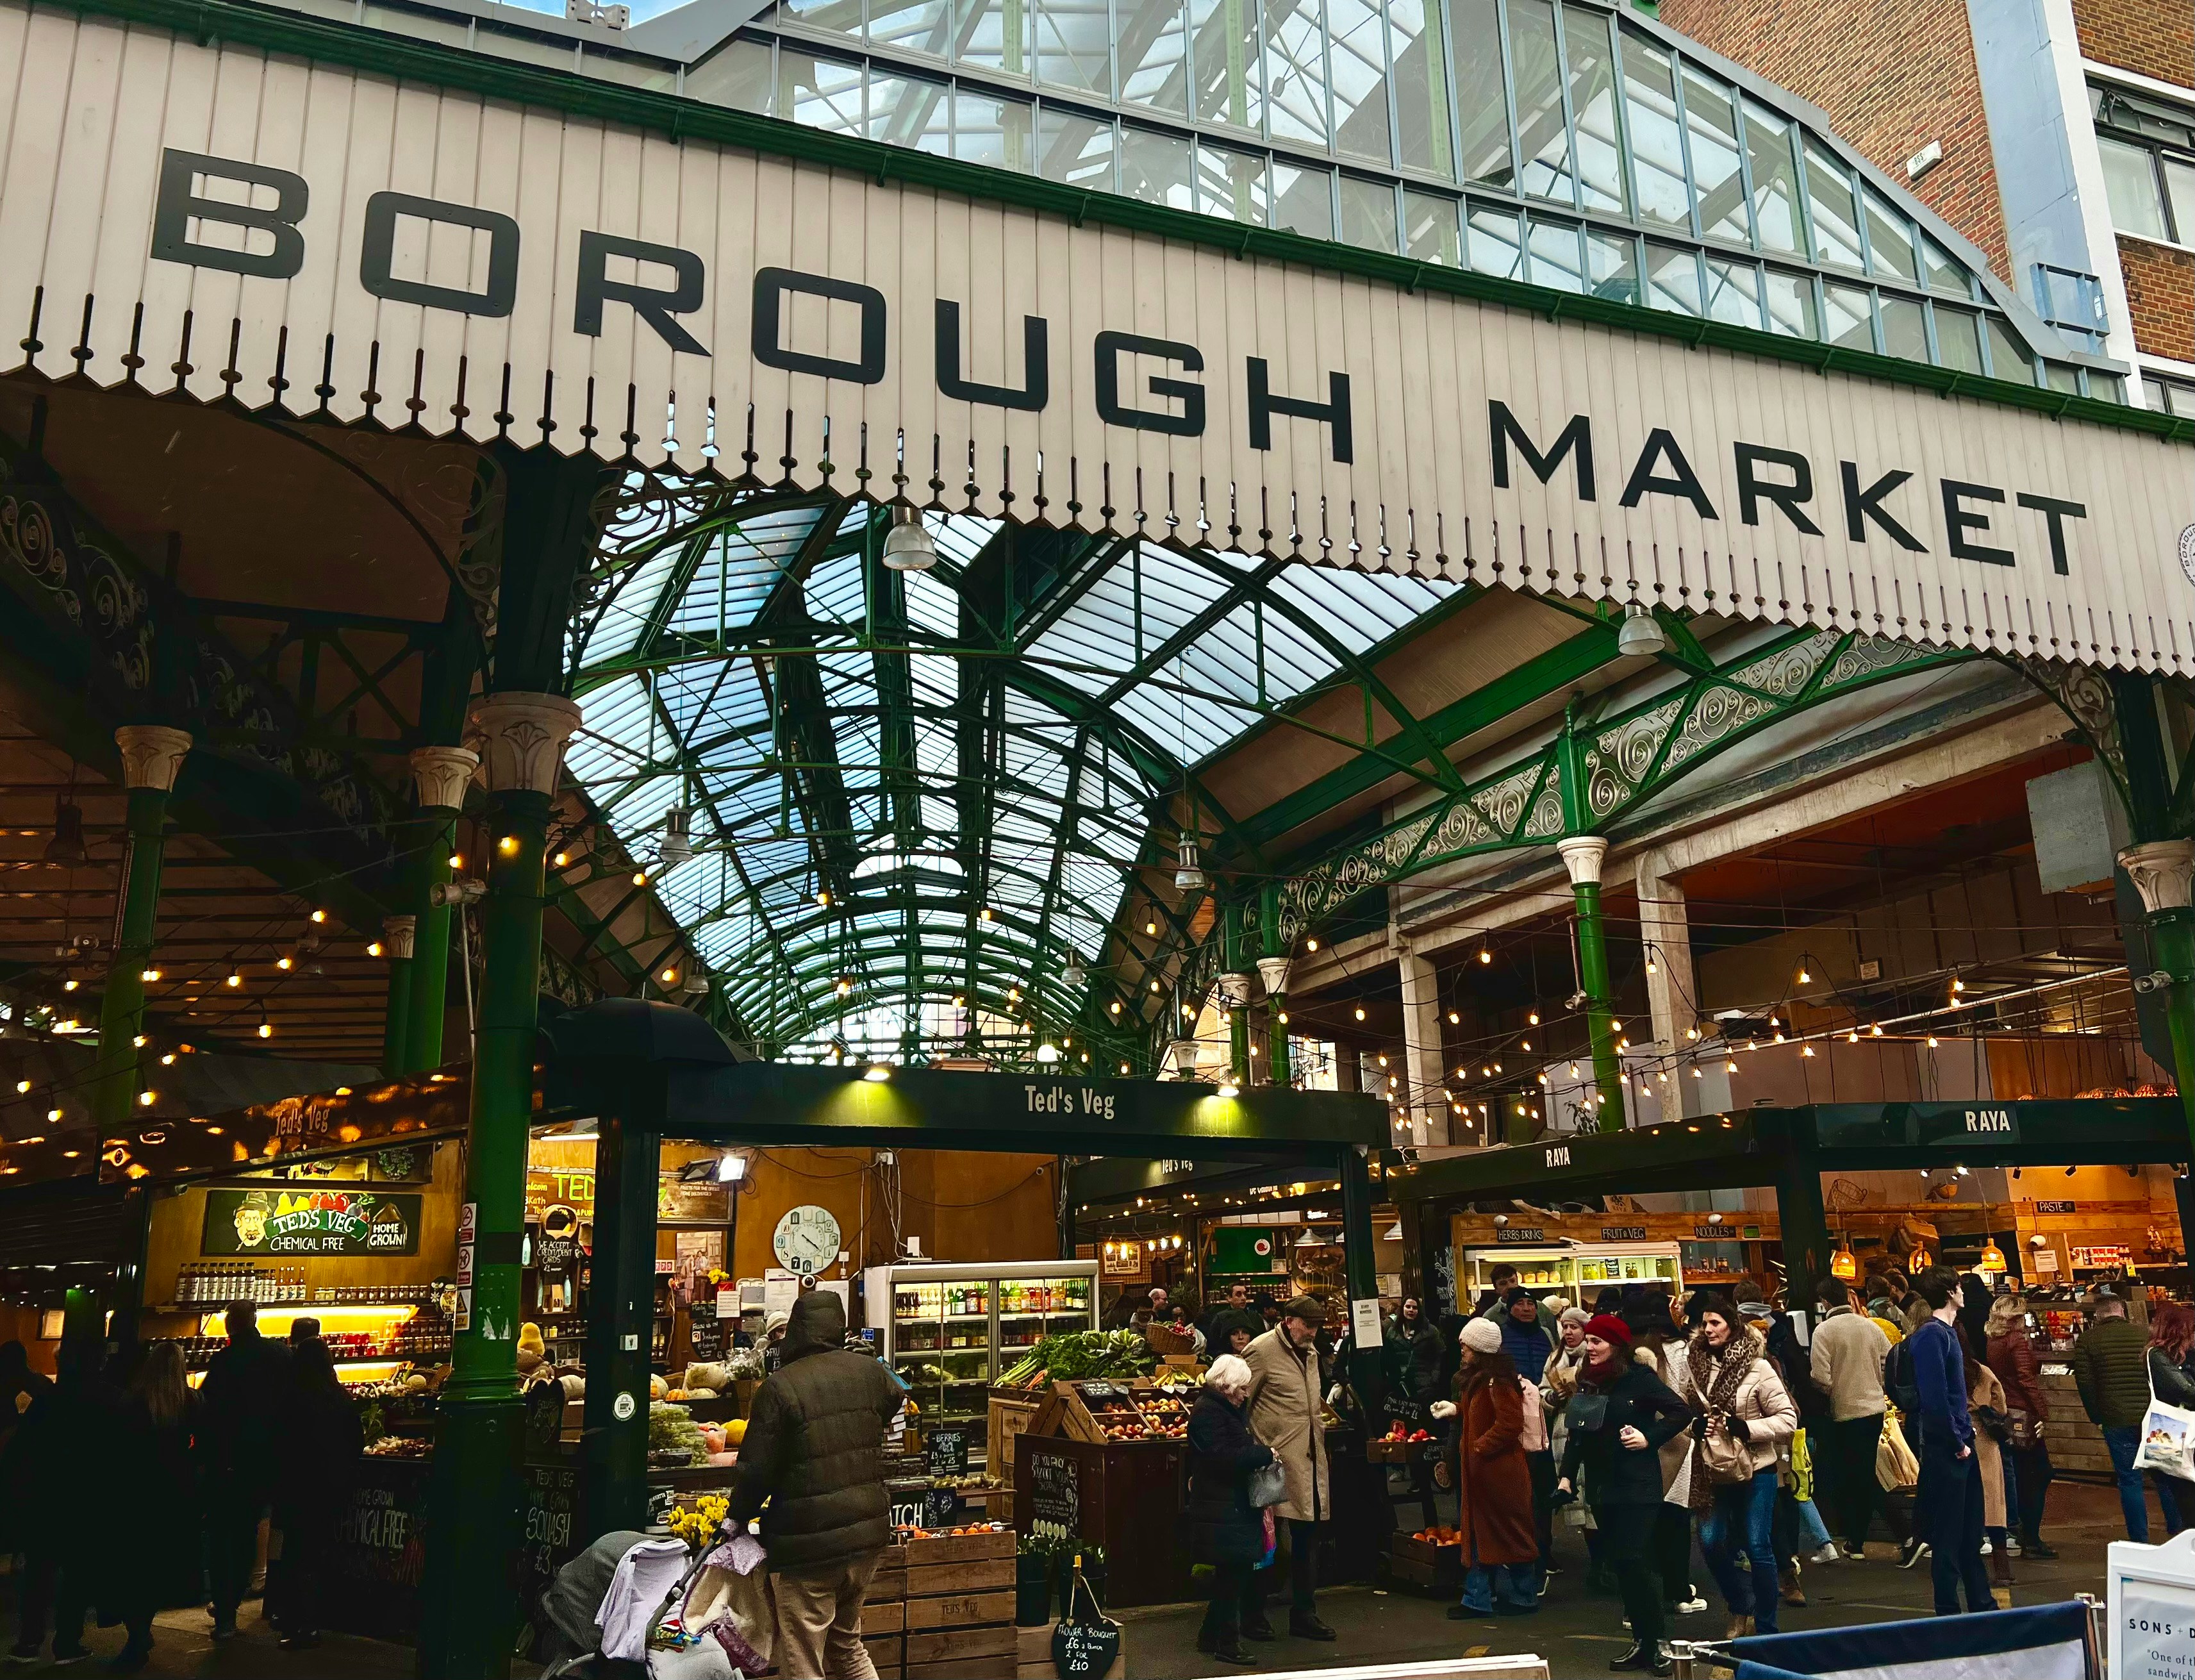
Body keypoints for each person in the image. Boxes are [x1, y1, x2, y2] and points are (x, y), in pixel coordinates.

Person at [728, 1291, 906, 1680]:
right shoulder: (870, 1372)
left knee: (803, 1656)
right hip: (866, 1538)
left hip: (807, 1546)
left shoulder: (779, 1387)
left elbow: (756, 1470)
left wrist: (736, 1517)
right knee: (847, 1646)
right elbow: (897, 1401)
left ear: (796, 1331)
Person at [1554, 1315, 1691, 1677]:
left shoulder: (1639, 1380)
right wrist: (1566, 1478)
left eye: (1598, 1341)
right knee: (1622, 1563)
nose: (1591, 1346)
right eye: (1590, 1340)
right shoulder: (1588, 1383)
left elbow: (1681, 1411)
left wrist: (1649, 1438)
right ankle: (1642, 1643)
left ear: (1617, 1345)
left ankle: (1658, 1642)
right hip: (1602, 1488)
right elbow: (1578, 1435)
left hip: (1637, 1485)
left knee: (1638, 1559)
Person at [1683, 1299, 1796, 1641]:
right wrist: (1696, 1425)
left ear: (1732, 1325)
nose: (1708, 1329)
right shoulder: (1697, 1366)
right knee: (1710, 1541)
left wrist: (1745, 1428)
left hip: (1756, 1468)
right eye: (1705, 1323)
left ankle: (1766, 1625)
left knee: (1757, 1544)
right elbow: (1685, 1417)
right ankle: (1739, 1603)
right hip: (1713, 1469)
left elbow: (1788, 1419)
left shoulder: (1758, 1368)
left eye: (1716, 1322)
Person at [1430, 1318, 1540, 1617]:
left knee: (1502, 1533)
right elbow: (1487, 1415)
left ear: (1479, 1348)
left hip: (1496, 1473)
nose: (1461, 1349)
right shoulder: (1483, 1379)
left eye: (1466, 1345)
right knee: (1491, 1533)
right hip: (1488, 1473)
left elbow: (1509, 1423)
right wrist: (1457, 1410)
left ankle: (1494, 1598)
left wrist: (1479, 1447)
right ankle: (1493, 1597)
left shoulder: (1496, 1381)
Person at [199, 1297, 292, 1639]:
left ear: (229, 1325)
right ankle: (236, 1598)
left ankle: (226, 1609)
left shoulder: (224, 1361)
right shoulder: (280, 1355)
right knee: (252, 1531)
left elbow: (209, 1412)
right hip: (266, 1461)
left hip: (228, 1462)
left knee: (226, 1535)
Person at [1244, 1298, 1335, 1642]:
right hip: (1272, 1463)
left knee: (1307, 1539)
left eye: (1316, 1326)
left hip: (1310, 1459)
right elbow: (1242, 1401)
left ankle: (1304, 1613)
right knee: (1265, 1544)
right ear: (1288, 1321)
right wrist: (1254, 1450)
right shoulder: (1261, 1351)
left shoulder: (1311, 1354)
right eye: (1306, 1325)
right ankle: (1253, 1614)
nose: (1312, 1332)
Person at [1907, 1267, 1996, 1615]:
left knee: (1970, 1532)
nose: (1964, 1292)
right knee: (1948, 1535)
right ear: (1949, 1292)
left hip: (1958, 1445)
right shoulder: (1933, 1335)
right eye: (1959, 1286)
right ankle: (1948, 1609)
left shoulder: (1945, 1333)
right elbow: (1935, 1397)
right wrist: (1957, 1440)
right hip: (1948, 1450)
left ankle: (1981, 1603)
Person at [1182, 1354, 1277, 1667]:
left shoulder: (1218, 1409)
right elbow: (1223, 1457)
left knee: (1231, 1574)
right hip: (1223, 1506)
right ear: (1227, 1386)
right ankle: (1228, 1643)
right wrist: (1262, 1454)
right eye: (1243, 1389)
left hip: (1226, 1505)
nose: (1246, 1394)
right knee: (1232, 1576)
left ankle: (1210, 1636)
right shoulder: (1210, 1413)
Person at [269, 1338, 363, 1649]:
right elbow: (356, 1443)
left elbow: (278, 1445)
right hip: (331, 1489)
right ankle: (310, 1620)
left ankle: (298, 1620)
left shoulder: (291, 1398)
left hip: (297, 1489)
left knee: (295, 1554)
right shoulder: (340, 1398)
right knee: (317, 1552)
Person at [2075, 1289, 2176, 1542]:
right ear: (2122, 1311)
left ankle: (2139, 1540)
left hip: (2116, 1418)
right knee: (2165, 1476)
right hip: (2154, 1417)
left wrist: (2097, 1417)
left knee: (2130, 1481)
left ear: (2098, 1315)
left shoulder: (2088, 1341)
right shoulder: (2145, 1335)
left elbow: (2086, 1384)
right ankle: (2178, 1532)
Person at [1625, 1292, 1703, 1620]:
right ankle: (1679, 1592)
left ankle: (1637, 1608)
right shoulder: (1683, 1353)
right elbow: (1694, 1396)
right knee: (1675, 1521)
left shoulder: (1626, 1356)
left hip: (1634, 1446)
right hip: (1676, 1444)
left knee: (1638, 1529)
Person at [1809, 1276, 1890, 1559]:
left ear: (1825, 1302)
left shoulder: (1823, 1332)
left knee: (1852, 1475)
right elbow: (1887, 1362)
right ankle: (1858, 1540)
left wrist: (1834, 1388)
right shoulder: (1870, 1327)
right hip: (1874, 1409)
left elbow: (1820, 1377)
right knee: (1865, 1472)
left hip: (1844, 1411)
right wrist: (1875, 1383)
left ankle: (1859, 1537)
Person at [1986, 1292, 2055, 1559]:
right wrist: (2042, 1413)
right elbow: (2027, 1379)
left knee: (2019, 1473)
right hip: (2023, 1412)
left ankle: (2021, 1532)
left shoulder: (1993, 1341)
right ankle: (2032, 1538)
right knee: (2039, 1473)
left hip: (2005, 1410)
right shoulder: (2017, 1342)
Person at [1961, 1328, 2014, 1591]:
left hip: (1956, 1442)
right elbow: (2001, 1407)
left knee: (1963, 1506)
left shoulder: (1944, 1371)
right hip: (1984, 1441)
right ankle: (2002, 1568)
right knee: (1994, 1504)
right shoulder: (1982, 1372)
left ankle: (1967, 1566)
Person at [1206, 1283, 1263, 1352]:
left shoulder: (1255, 1317)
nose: (1243, 1298)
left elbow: (1262, 1344)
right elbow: (1212, 1345)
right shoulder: (1221, 1318)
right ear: (1229, 1298)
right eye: (1238, 1295)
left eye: (1245, 1294)